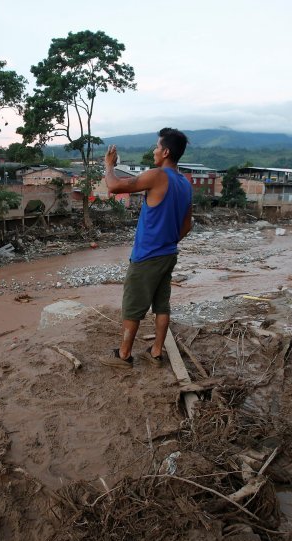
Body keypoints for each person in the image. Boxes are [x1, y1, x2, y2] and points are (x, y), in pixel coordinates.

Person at [100, 128, 193, 368]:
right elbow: (187, 225)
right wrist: (168, 242)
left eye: (156, 146)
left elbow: (114, 186)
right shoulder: (185, 183)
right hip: (168, 253)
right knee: (162, 303)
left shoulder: (157, 175)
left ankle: (124, 355)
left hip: (147, 255)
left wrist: (109, 165)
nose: (154, 151)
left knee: (133, 306)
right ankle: (156, 351)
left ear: (166, 151)